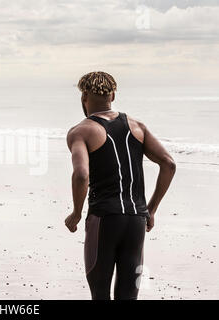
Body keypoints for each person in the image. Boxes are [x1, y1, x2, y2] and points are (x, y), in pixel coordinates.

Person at [64, 71, 176, 300]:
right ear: (113, 95)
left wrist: (76, 212)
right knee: (128, 295)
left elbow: (82, 174)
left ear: (84, 96)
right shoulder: (138, 127)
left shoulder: (81, 131)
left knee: (100, 293)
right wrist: (150, 210)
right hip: (136, 219)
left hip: (104, 219)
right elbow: (169, 164)